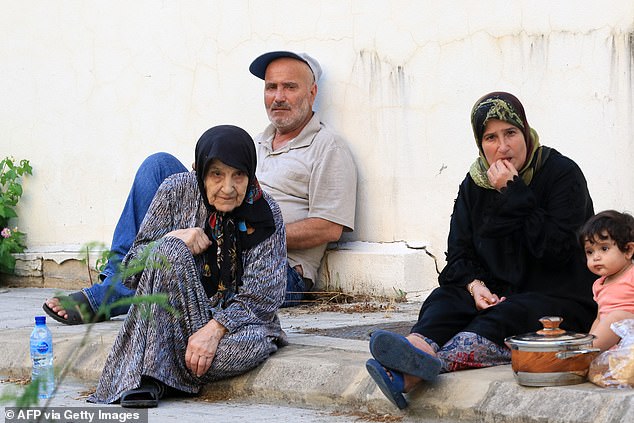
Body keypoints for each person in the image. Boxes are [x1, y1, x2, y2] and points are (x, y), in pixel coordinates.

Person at [42, 50, 357, 323]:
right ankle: (116, 278)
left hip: (275, 270)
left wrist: (245, 234)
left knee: (178, 253)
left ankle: (109, 296)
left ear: (312, 93)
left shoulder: (328, 147)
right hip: (216, 241)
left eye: (290, 87)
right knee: (159, 165)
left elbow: (329, 228)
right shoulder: (253, 143)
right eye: (271, 87)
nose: (278, 97)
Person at [365, 91, 597, 409]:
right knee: (445, 299)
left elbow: (556, 249)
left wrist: (512, 191)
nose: (502, 147)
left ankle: (412, 371)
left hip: (557, 301)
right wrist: (476, 286)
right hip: (496, 294)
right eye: (491, 137)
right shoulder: (474, 184)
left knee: (507, 314)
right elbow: (458, 253)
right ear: (480, 142)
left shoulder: (561, 174)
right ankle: (415, 347)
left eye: (510, 133)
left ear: (526, 132)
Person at [87, 124, 287, 408]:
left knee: (251, 344)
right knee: (167, 248)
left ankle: (158, 368)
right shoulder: (174, 191)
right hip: (173, 318)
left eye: (238, 175)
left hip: (233, 327)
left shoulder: (267, 213)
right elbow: (131, 271)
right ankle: (159, 373)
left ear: (250, 174)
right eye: (217, 174)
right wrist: (173, 238)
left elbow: (263, 297)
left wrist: (215, 329)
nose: (227, 188)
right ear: (201, 171)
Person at [578, 210, 634, 351]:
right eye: (590, 252)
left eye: (604, 248)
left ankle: (582, 354)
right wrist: (590, 338)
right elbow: (599, 319)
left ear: (628, 250)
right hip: (614, 346)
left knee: (616, 317)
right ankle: (587, 352)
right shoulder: (599, 284)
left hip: (630, 336)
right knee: (604, 322)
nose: (596, 257)